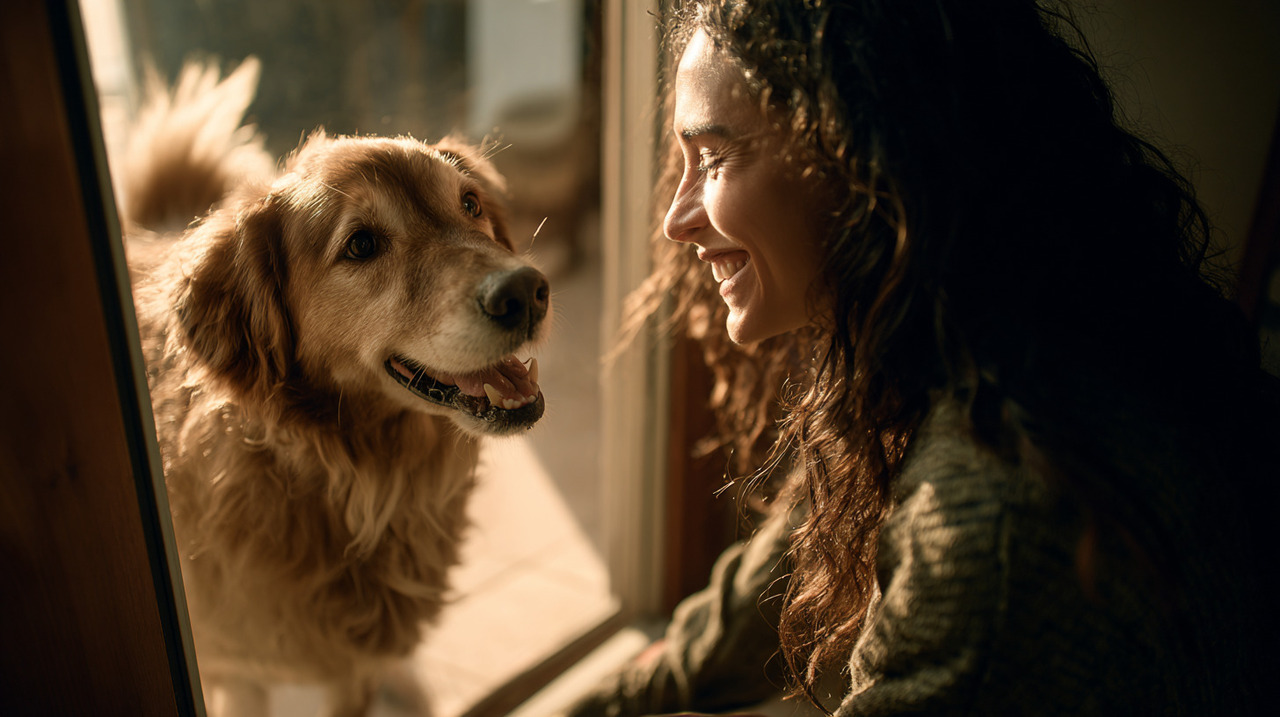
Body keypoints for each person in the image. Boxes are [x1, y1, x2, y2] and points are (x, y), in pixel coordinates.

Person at [568, 0, 1278, 715]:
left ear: (859, 155)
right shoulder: (970, 337)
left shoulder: (997, 519)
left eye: (714, 157)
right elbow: (771, 577)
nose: (675, 218)